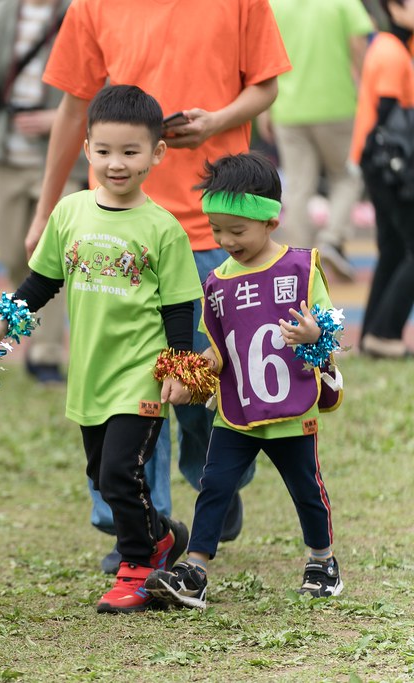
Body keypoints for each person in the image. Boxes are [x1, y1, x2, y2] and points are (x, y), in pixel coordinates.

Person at [27, 0, 292, 569]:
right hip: (119, 232)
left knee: (201, 391)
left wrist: (216, 122)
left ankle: (217, 483)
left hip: (209, 227)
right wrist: (46, 210)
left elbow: (265, 88)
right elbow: (74, 108)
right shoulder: (91, 6)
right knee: (129, 384)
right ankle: (140, 532)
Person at [0, 85, 197, 613]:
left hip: (141, 374)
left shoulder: (164, 229)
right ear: (86, 150)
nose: (116, 163)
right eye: (104, 151)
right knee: (102, 475)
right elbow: (38, 288)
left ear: (156, 154)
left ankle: (139, 564)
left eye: (130, 152)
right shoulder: (70, 212)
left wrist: (180, 368)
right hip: (91, 373)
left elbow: (179, 309)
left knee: (122, 473)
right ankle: (162, 535)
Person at [146, 152, 344, 609]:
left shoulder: (301, 268)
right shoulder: (216, 282)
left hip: (292, 410)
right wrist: (191, 373)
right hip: (235, 409)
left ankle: (323, 561)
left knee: (307, 490)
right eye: (217, 229)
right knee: (213, 484)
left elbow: (330, 329)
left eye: (237, 230)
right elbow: (219, 349)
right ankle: (194, 569)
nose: (225, 240)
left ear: (271, 220)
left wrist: (315, 333)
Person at [0, 0, 81, 385]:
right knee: (13, 254)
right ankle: (28, 336)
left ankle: (47, 354)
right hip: (7, 154)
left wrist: (60, 119)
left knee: (53, 256)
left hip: (64, 158)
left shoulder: (82, 11)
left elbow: (104, 84)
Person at [259, 0, 373, 281]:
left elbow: (263, 57)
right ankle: (332, 239)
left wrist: (264, 108)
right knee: (346, 175)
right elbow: (359, 46)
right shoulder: (343, 3)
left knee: (298, 186)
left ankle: (300, 263)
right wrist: (368, 91)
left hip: (288, 109)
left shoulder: (274, 5)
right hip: (338, 106)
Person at [350, 0, 414, 359]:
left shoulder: (394, 45)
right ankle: (385, 333)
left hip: (376, 163)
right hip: (388, 164)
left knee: (392, 248)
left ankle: (375, 332)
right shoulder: (391, 52)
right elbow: (388, 116)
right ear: (394, 7)